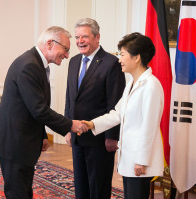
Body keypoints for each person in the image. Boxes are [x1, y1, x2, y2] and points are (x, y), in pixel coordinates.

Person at [0, 26, 87, 199]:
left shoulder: (36, 63)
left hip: (22, 140)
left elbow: (31, 107)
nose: (66, 55)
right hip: (14, 142)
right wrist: (71, 124)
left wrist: (42, 135)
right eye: (65, 49)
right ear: (49, 43)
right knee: (17, 193)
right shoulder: (29, 65)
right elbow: (39, 109)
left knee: (24, 190)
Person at [83, 32, 164, 199]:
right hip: (129, 157)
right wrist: (92, 124)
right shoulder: (132, 83)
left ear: (136, 58)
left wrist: (142, 160)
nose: (119, 59)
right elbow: (117, 113)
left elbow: (149, 126)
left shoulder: (151, 86)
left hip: (140, 160)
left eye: (122, 54)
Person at [64, 18, 125, 199]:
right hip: (77, 135)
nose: (79, 41)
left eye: (85, 36)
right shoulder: (74, 61)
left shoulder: (111, 63)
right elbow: (70, 98)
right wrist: (67, 128)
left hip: (99, 139)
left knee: (98, 186)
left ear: (97, 37)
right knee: (80, 185)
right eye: (77, 37)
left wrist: (112, 137)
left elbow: (114, 103)